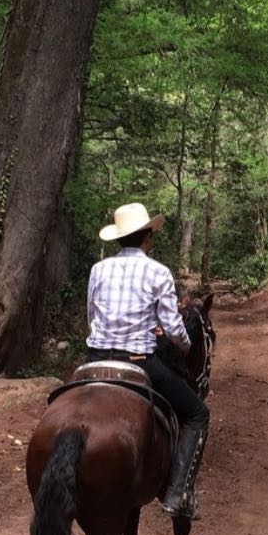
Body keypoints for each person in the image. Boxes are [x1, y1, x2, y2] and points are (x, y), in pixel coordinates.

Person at [85, 202, 209, 517]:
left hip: (95, 358)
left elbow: (91, 317)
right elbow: (173, 328)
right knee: (197, 414)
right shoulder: (158, 272)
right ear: (148, 238)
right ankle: (177, 494)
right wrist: (183, 346)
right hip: (138, 361)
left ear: (117, 239)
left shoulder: (98, 269)